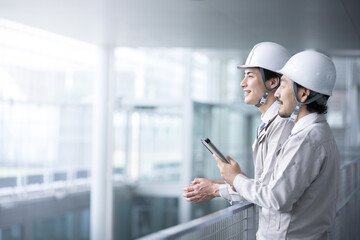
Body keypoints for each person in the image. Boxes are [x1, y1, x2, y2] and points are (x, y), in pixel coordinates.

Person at [215, 50, 340, 239]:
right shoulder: (318, 133)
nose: (278, 94)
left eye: (283, 85)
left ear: (304, 94)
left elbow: (276, 197)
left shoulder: (307, 140)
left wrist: (236, 178)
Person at [183, 42, 293, 208]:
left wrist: (218, 188)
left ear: (272, 82)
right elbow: (262, 187)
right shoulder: (268, 122)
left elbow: (269, 193)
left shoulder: (282, 125)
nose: (243, 83)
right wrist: (219, 184)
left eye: (250, 76)